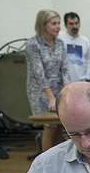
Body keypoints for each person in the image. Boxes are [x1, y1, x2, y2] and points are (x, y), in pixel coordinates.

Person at [26, 9, 67, 152]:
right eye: (54, 23)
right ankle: (46, 164)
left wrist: (67, 91)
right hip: (41, 92)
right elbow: (38, 73)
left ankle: (60, 160)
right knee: (50, 125)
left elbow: (65, 69)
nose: (58, 27)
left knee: (61, 125)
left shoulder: (61, 43)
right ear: (43, 25)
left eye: (58, 23)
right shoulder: (33, 44)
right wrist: (50, 97)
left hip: (59, 89)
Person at [58, 12, 90, 83]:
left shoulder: (85, 41)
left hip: (81, 82)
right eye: (71, 24)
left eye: (76, 23)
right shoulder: (59, 39)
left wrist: (87, 77)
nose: (74, 26)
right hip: (64, 83)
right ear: (66, 25)